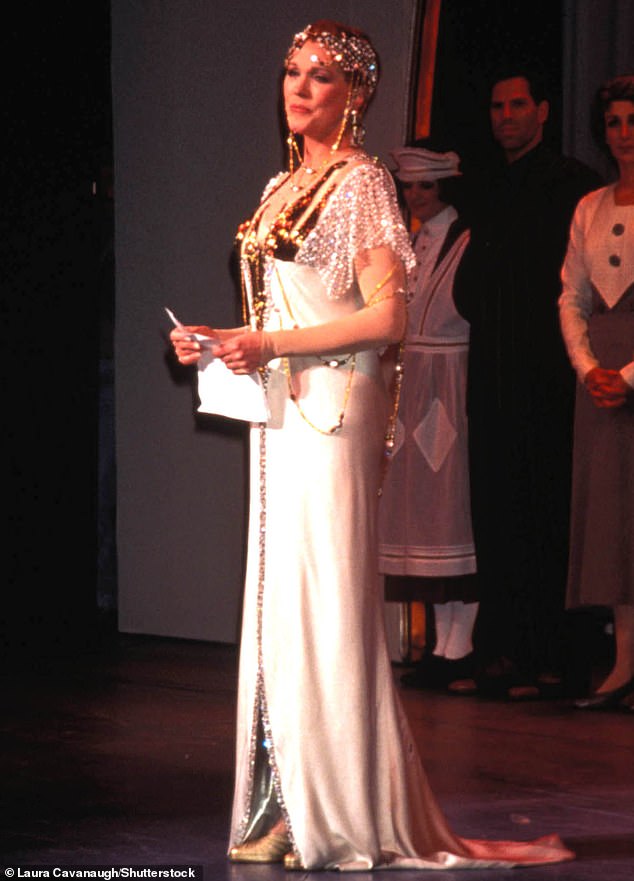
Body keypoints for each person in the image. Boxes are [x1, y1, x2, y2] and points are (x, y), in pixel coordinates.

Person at [171, 21, 573, 870]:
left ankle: (339, 803)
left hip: (333, 411)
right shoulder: (284, 184)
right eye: (291, 72)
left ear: (353, 94)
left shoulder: (359, 183)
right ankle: (285, 800)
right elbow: (293, 310)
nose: (300, 87)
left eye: (321, 76)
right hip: (285, 407)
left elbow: (387, 317)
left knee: (323, 599)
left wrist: (272, 346)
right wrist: (222, 338)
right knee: (283, 600)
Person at [453, 70, 602, 699]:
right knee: (496, 504)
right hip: (491, 365)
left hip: (548, 370)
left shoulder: (574, 184)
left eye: (517, 105)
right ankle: (502, 651)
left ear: (543, 110)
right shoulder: (485, 186)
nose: (505, 116)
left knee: (547, 508)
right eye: (496, 106)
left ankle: (554, 656)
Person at [378, 144, 479, 694]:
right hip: (414, 378)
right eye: (410, 188)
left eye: (427, 187)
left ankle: (461, 644)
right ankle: (440, 644)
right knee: (423, 508)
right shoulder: (409, 243)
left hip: (451, 374)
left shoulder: (466, 239)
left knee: (452, 505)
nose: (417, 196)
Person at [558, 74, 634, 713]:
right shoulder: (590, 206)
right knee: (613, 520)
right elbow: (571, 297)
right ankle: (624, 665)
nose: (625, 133)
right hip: (601, 376)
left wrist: (629, 374)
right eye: (614, 122)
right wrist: (589, 368)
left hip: (631, 372)